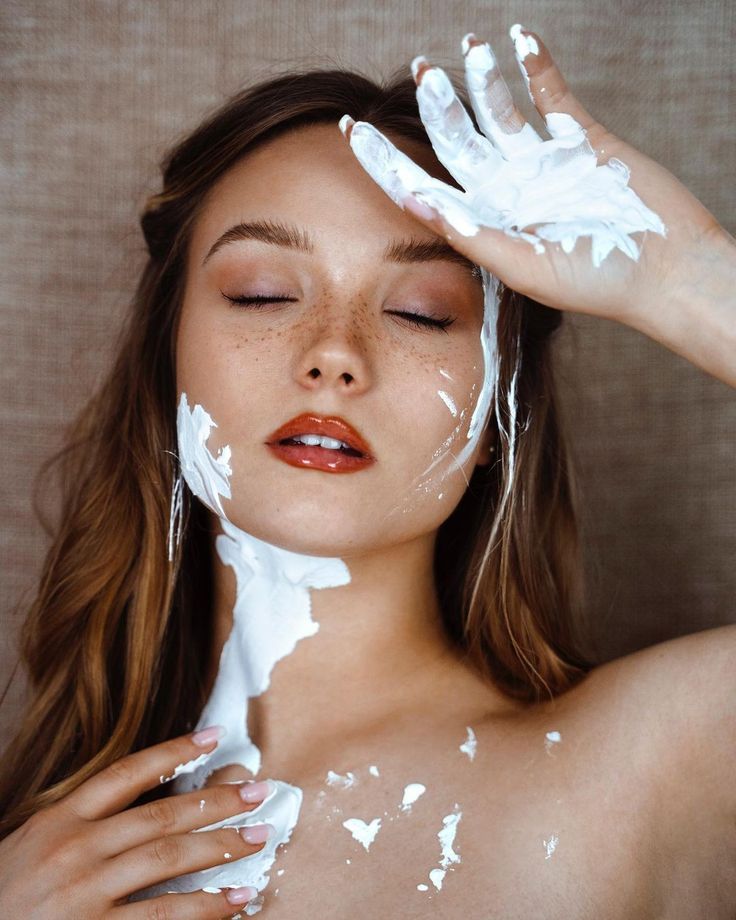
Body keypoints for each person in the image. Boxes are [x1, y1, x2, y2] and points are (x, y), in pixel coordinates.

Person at [0, 23, 734, 919]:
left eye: (422, 313)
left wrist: (690, 280)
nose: (335, 355)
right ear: (167, 366)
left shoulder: (656, 765)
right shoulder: (32, 855)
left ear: (503, 413)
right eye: (263, 294)